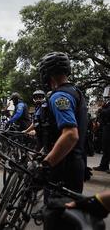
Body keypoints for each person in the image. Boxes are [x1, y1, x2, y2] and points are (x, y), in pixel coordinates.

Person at [37, 52, 87, 194]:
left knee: (56, 212)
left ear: (49, 74)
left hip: (62, 168)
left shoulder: (59, 96)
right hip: (74, 165)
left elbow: (71, 135)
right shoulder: (75, 92)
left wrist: (46, 165)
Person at [93, 89, 110, 172]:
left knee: (107, 146)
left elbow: (107, 112)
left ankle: (104, 165)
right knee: (105, 147)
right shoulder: (107, 102)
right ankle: (104, 165)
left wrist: (101, 110)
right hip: (106, 126)